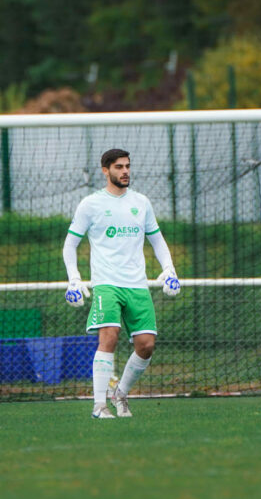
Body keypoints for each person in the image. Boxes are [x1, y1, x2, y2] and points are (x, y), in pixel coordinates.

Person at [63, 149, 180, 419]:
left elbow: (157, 239)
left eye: (127, 166)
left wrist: (169, 270)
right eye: (119, 167)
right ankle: (99, 406)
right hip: (106, 284)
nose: (125, 171)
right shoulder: (90, 204)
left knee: (146, 345)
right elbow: (70, 244)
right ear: (106, 170)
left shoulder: (141, 202)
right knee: (110, 336)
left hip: (137, 285)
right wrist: (74, 279)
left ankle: (121, 394)